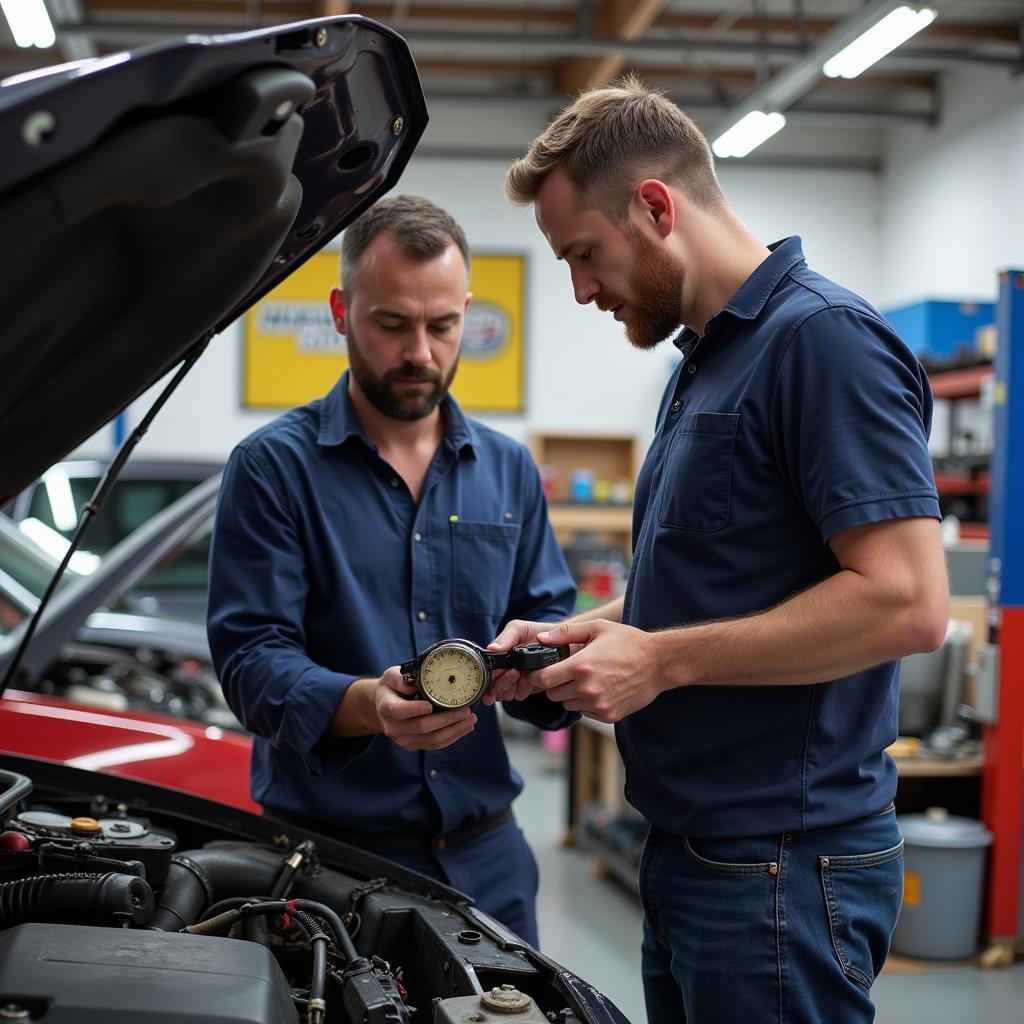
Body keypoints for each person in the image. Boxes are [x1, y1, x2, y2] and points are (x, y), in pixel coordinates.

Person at [490, 77, 949, 1022]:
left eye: (585, 254)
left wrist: (657, 661)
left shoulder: (824, 344)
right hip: (698, 852)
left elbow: (908, 602)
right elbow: (716, 577)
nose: (579, 290)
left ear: (655, 207)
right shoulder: (704, 362)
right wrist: (589, 634)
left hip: (781, 866)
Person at [207, 195, 577, 947]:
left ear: (465, 312)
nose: (420, 352)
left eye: (442, 326)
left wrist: (544, 672)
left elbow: (551, 633)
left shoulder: (506, 470)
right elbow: (251, 661)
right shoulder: (274, 469)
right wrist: (367, 704)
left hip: (489, 864)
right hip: (325, 869)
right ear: (342, 311)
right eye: (392, 324)